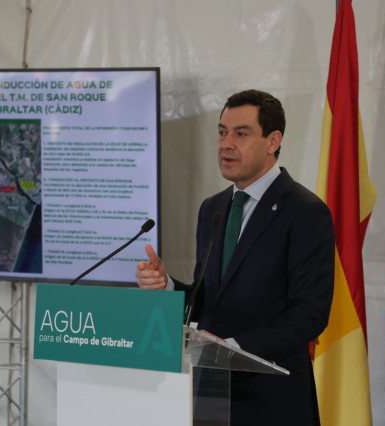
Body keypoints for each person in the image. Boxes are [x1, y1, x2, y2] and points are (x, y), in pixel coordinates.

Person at [136, 89, 335, 425]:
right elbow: (210, 301)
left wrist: (233, 347)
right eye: (222, 132)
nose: (226, 144)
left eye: (241, 134)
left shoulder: (306, 212)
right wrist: (167, 287)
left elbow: (309, 314)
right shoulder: (212, 209)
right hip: (211, 396)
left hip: (273, 401)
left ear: (273, 141)